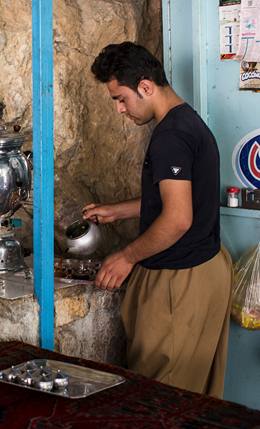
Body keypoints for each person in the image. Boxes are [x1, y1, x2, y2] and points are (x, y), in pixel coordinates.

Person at [82, 41, 232, 398]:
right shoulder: (188, 121)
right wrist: (118, 210)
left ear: (145, 87)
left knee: (158, 402)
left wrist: (126, 257)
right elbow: (178, 200)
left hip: (177, 285)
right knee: (195, 399)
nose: (119, 109)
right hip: (208, 271)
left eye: (121, 98)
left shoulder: (171, 137)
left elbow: (178, 219)